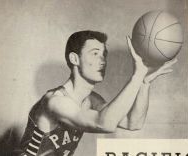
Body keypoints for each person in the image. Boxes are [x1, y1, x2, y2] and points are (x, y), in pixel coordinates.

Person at [15, 30, 176, 156]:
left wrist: (144, 83)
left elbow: (133, 123)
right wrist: (136, 76)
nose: (103, 60)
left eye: (104, 54)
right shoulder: (56, 101)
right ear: (74, 59)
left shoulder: (92, 100)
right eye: (95, 53)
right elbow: (104, 123)